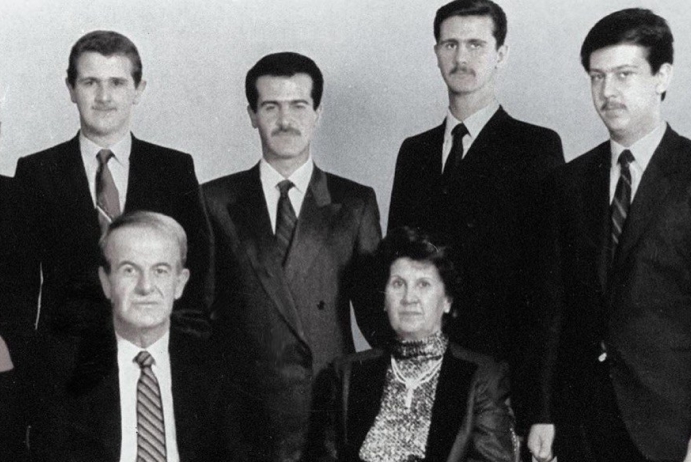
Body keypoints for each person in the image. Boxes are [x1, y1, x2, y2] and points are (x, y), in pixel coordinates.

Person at [387, 0, 563, 431]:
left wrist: (541, 407)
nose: (461, 57)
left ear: (501, 54)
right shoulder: (415, 152)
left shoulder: (535, 148)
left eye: (475, 44)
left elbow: (548, 284)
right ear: (436, 52)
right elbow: (395, 266)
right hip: (420, 372)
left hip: (503, 377)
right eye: (450, 44)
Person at [528, 8, 691, 462]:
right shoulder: (570, 181)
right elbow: (552, 307)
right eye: (597, 77)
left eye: (624, 74)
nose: (607, 92)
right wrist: (542, 412)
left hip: (670, 425)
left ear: (662, 76)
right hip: (581, 422)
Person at [203, 51, 382, 461]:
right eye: (271, 107)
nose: (286, 120)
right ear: (252, 115)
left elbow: (376, 320)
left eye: (299, 105)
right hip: (242, 416)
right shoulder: (215, 200)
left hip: (326, 410)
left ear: (317, 113)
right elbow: (199, 318)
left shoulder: (354, 203)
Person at [11, 30, 211, 357]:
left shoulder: (173, 169)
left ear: (138, 90)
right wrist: (29, 362)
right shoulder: (37, 172)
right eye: (90, 82)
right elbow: (18, 282)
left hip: (154, 351)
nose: (104, 97)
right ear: (71, 89)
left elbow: (199, 268)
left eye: (117, 83)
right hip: (65, 358)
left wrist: (182, 348)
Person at [29, 211, 234, 461]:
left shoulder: (217, 368)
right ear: (106, 283)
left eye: (160, 271)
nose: (145, 287)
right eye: (129, 270)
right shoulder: (66, 370)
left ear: (180, 283)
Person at [320, 227, 514, 462]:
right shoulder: (346, 374)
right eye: (398, 284)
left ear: (447, 300)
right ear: (384, 300)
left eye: (423, 284)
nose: (408, 298)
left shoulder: (482, 377)